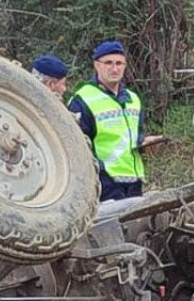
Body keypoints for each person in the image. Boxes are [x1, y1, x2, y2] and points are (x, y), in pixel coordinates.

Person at [67, 41, 164, 201]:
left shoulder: (133, 99)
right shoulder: (82, 100)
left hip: (134, 179)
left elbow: (132, 136)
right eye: (108, 63)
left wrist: (144, 143)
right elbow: (78, 148)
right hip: (104, 183)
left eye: (119, 63)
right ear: (97, 65)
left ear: (125, 66)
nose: (115, 68)